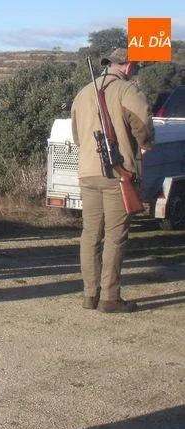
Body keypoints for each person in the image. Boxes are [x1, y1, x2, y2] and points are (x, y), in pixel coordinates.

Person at [70, 47, 153, 313]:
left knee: (90, 235)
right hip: (117, 174)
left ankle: (90, 295)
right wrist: (145, 144)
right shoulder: (127, 89)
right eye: (134, 66)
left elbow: (77, 136)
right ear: (128, 66)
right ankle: (110, 298)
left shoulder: (83, 93)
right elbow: (142, 123)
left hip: (87, 173)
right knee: (115, 236)